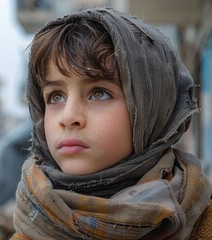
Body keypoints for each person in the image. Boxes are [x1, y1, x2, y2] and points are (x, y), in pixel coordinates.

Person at [12, 7, 212, 239]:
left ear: (151, 107)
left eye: (99, 93)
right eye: (56, 96)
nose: (68, 117)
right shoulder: (29, 231)